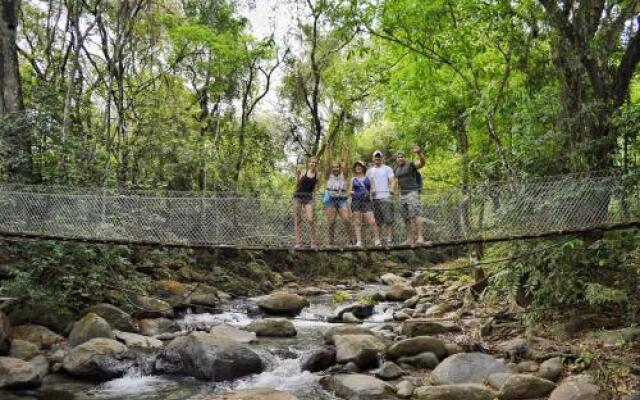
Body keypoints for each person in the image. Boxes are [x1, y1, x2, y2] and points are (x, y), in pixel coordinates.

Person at [393, 144, 426, 245]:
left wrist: (419, 153)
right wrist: (393, 191)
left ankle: (420, 237)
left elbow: (422, 163)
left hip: (412, 192)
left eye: (402, 156)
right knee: (405, 217)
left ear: (405, 158)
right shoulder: (396, 169)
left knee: (415, 214)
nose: (400, 158)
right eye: (398, 157)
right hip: (402, 195)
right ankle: (409, 238)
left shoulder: (410, 165)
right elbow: (395, 182)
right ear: (396, 159)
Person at [323, 142, 355, 246]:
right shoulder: (328, 175)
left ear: (339, 168)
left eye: (337, 167)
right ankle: (331, 242)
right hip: (331, 199)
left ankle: (352, 240)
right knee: (331, 222)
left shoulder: (343, 175)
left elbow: (346, 163)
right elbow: (327, 162)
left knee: (346, 219)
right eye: (333, 167)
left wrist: (346, 151)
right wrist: (328, 149)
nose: (335, 168)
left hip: (342, 199)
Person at [367, 150, 395, 245]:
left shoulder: (387, 169)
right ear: (373, 158)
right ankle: (378, 239)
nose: (377, 158)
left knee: (388, 220)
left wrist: (391, 189)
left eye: (379, 157)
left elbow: (392, 180)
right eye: (376, 157)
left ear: (382, 158)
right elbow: (367, 184)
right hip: (374, 199)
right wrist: (370, 193)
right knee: (377, 221)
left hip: (386, 197)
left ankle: (389, 239)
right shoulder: (369, 171)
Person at [350, 160, 381, 247]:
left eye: (360, 166)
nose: (358, 167)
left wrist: (372, 194)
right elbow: (349, 191)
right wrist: (351, 192)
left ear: (363, 168)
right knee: (357, 222)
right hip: (356, 201)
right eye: (356, 166)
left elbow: (372, 189)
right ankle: (359, 241)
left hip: (366, 201)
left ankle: (377, 240)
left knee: (372, 221)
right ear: (354, 168)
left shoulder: (369, 178)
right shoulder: (353, 179)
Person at [293, 155, 319, 249]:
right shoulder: (303, 171)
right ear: (308, 163)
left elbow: (316, 188)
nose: (313, 164)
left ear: (316, 164)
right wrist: (297, 175)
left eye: (315, 163)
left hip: (308, 198)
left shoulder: (317, 174)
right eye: (311, 162)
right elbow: (297, 185)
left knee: (310, 219)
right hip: (298, 197)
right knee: (298, 220)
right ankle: (298, 242)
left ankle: (313, 242)